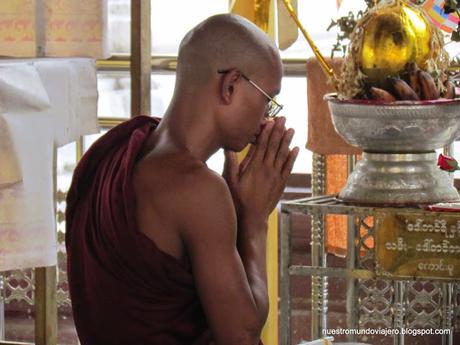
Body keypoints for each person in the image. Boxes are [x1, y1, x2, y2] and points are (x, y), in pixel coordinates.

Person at [66, 13, 298, 345]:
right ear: (230, 85)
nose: (267, 119)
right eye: (268, 101)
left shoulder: (107, 151)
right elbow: (242, 336)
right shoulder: (197, 189)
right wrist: (254, 220)